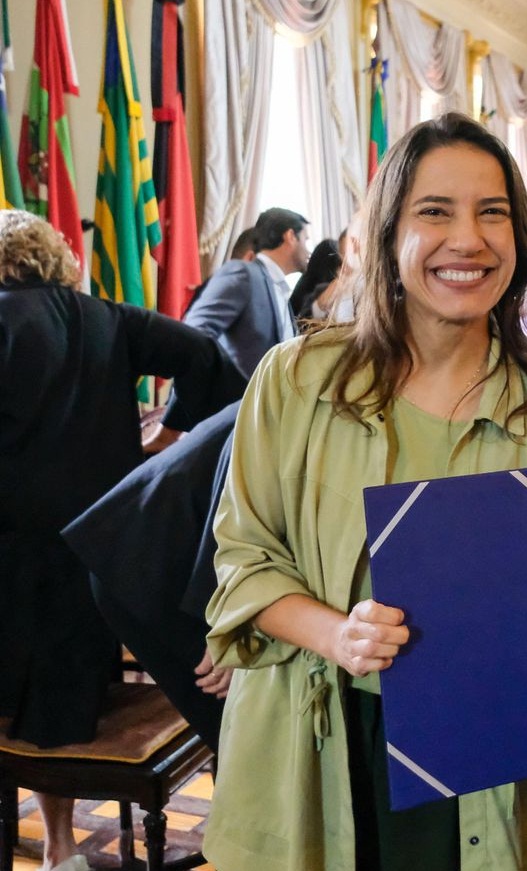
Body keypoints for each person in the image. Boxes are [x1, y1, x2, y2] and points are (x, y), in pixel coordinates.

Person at [202, 113, 527, 871]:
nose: (468, 240)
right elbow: (242, 557)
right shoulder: (296, 379)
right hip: (312, 738)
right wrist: (335, 634)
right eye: (434, 211)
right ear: (388, 237)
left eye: (492, 212)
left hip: (473, 751)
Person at [0, 209, 245, 871]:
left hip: (12, 556)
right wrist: (169, 440)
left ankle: (57, 845)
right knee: (65, 703)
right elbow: (207, 360)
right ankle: (61, 848)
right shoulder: (106, 317)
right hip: (100, 552)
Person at [62, 402, 242, 752]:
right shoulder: (290, 384)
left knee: (242, 733)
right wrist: (228, 627)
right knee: (239, 733)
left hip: (149, 552)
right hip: (143, 568)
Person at [184, 206, 310, 379]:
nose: (308, 251)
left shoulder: (281, 291)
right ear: (290, 237)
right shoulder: (244, 273)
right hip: (235, 404)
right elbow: (194, 334)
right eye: (305, 239)